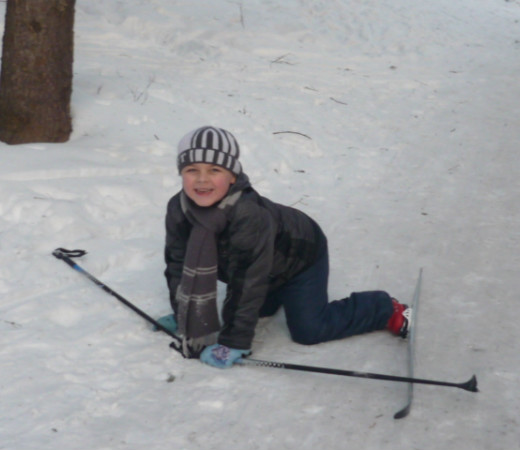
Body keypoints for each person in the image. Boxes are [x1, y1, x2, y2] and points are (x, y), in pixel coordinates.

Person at [158, 126, 411, 369]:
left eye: (214, 170)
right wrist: (185, 317)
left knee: (309, 330)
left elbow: (247, 282)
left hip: (300, 258)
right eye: (192, 170)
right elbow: (178, 264)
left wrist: (233, 343)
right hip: (265, 265)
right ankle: (275, 293)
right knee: (258, 309)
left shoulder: (248, 215)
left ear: (233, 176)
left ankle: (383, 308)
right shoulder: (179, 209)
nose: (202, 179)